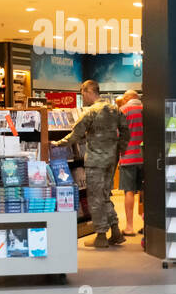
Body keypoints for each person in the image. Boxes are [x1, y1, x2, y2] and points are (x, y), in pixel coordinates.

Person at [53, 79, 130, 248]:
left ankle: (101, 236)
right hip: (111, 159)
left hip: (95, 161)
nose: (83, 98)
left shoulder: (91, 112)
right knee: (105, 195)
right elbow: (126, 131)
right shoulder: (114, 109)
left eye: (82, 94)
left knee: (95, 197)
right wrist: (120, 149)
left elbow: (75, 134)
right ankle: (115, 231)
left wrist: (58, 144)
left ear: (89, 91)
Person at [117, 90, 144, 236]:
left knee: (129, 191)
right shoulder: (147, 109)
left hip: (128, 157)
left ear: (127, 98)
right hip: (145, 157)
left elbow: (117, 134)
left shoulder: (123, 110)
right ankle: (147, 226)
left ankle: (129, 226)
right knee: (145, 193)